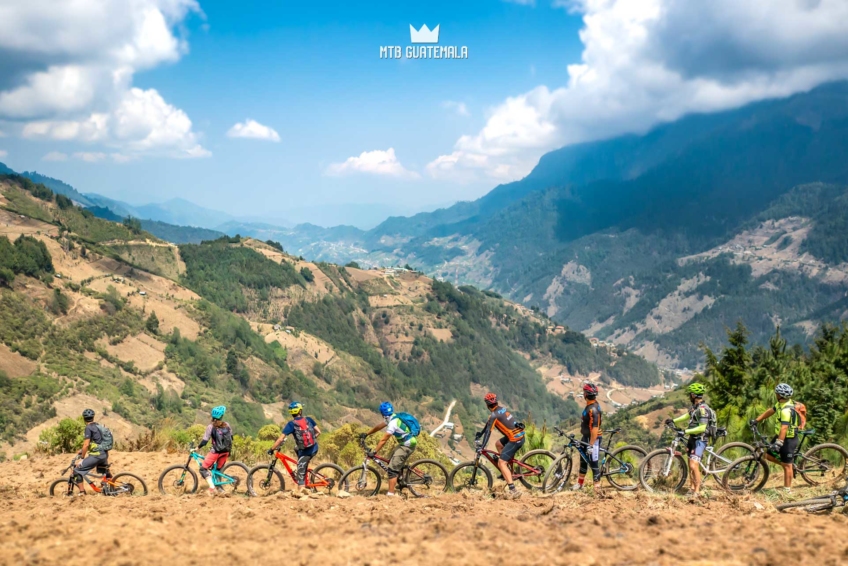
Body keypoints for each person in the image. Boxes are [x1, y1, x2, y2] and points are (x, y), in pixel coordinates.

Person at [750, 383, 800, 491]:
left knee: (787, 466)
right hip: (780, 436)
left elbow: (784, 428)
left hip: (788, 439)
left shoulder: (786, 411)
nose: (775, 394)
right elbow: (770, 411)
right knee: (767, 455)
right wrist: (757, 420)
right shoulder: (780, 404)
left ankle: (787, 491)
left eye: (776, 393)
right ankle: (787, 464)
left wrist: (779, 443)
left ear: (780, 395)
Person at [665, 382, 712, 497]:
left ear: (694, 395)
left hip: (700, 440)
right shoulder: (694, 407)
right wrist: (674, 421)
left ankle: (697, 491)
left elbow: (702, 427)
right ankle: (691, 488)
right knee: (689, 462)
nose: (689, 396)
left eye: (690, 394)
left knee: (693, 465)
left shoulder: (703, 409)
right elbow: (687, 416)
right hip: (692, 438)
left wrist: (685, 431)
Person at [361, 401, 417, 497]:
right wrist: (367, 433)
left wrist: (374, 451)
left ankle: (390, 494)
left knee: (392, 469)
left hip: (407, 445)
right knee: (391, 460)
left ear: (382, 413)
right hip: (404, 443)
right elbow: (378, 427)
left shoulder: (393, 423)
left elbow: (384, 439)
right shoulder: (391, 417)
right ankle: (399, 478)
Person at [476, 392, 525, 497]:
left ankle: (513, 490)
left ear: (487, 404)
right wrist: (480, 434)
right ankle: (507, 470)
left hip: (515, 439)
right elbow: (488, 425)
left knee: (501, 463)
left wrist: (482, 447)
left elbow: (489, 432)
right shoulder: (500, 409)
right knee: (498, 444)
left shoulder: (494, 415)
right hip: (517, 435)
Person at [268, 401, 321, 490]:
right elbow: (319, 432)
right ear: (300, 411)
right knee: (296, 448)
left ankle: (302, 486)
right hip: (314, 447)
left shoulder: (291, 424)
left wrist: (272, 449)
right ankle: (303, 465)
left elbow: (280, 439)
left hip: (307, 451)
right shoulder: (309, 419)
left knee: (300, 473)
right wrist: (311, 439)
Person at [198, 405, 233, 495]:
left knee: (203, 469)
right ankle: (220, 489)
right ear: (221, 416)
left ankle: (212, 487)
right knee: (218, 470)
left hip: (216, 452)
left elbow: (205, 441)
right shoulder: (227, 425)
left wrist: (197, 448)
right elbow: (231, 437)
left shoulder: (211, 427)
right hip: (226, 451)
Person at [573, 383, 602, 491]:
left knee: (593, 463)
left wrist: (591, 445)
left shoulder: (593, 409)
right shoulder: (590, 405)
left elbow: (595, 428)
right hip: (586, 437)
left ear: (586, 394)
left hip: (592, 439)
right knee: (583, 461)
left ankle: (597, 489)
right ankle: (580, 484)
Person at [74, 408, 111, 492]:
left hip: (97, 455)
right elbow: (96, 441)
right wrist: (81, 450)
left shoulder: (88, 428)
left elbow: (86, 444)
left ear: (84, 419)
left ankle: (82, 492)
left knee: (77, 470)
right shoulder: (98, 426)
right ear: (93, 417)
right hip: (104, 454)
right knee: (104, 471)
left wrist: (82, 458)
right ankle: (109, 487)